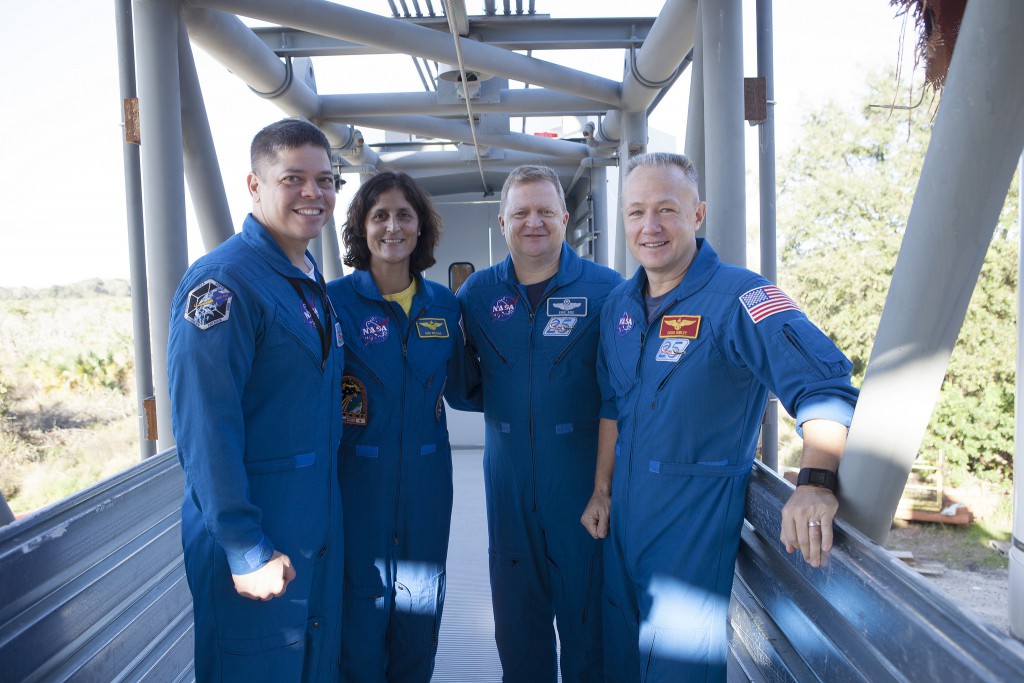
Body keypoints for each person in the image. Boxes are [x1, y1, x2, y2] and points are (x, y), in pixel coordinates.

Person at [596, 151, 859, 682]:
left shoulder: (741, 296)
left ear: (698, 215)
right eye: (636, 212)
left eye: (667, 210)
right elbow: (612, 406)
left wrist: (815, 482)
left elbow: (825, 384)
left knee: (679, 670)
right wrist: (601, 491)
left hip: (691, 524)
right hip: (622, 520)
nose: (650, 227)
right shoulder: (619, 307)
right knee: (620, 662)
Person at [167, 118, 345, 682]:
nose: (313, 193)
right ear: (254, 186)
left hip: (312, 525)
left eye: (325, 179)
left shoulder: (307, 279)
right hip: (254, 535)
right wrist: (245, 548)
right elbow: (204, 427)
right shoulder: (224, 283)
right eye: (294, 178)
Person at [448, 165, 624, 682]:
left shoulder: (607, 290)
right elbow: (462, 385)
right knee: (518, 631)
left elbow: (622, 390)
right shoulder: (476, 295)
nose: (534, 222)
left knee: (587, 624)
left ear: (566, 219)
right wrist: (519, 406)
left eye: (546, 211)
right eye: (521, 212)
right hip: (507, 487)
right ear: (502, 222)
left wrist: (605, 488)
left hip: (582, 485)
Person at [327, 171, 464, 682]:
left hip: (428, 483)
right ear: (361, 228)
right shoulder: (332, 303)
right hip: (356, 482)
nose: (392, 226)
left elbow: (467, 386)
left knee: (421, 607)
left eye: (404, 214)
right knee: (359, 607)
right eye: (379, 215)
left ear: (421, 227)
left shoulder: (445, 307)